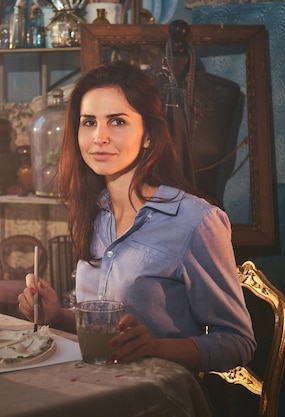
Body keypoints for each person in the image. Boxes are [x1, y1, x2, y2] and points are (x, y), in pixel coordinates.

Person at [18, 60, 255, 372]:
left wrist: (156, 348)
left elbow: (238, 343)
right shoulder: (94, 211)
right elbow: (105, 328)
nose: (99, 137)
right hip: (94, 390)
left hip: (158, 399)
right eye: (89, 122)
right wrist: (58, 315)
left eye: (117, 122)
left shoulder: (195, 220)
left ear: (148, 136)